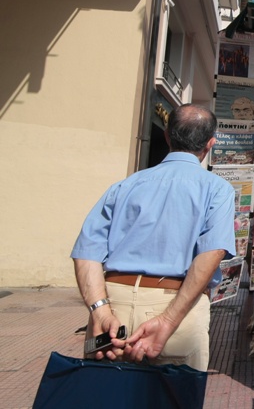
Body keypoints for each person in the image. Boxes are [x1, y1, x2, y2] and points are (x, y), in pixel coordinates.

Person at [70, 104, 235, 371]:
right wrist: (168, 320)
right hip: (176, 305)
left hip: (113, 306)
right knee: (173, 396)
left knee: (103, 392)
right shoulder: (217, 190)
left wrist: (100, 311)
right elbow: (211, 253)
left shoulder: (126, 185)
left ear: (168, 136)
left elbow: (87, 250)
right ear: (210, 144)